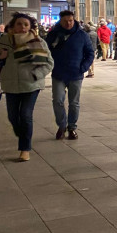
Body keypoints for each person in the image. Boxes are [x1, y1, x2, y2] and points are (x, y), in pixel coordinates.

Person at [0, 13, 54, 161]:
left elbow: (49, 63)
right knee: (13, 117)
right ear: (13, 26)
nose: (23, 27)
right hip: (10, 85)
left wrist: (36, 75)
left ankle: (25, 149)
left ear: (30, 27)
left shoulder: (38, 42)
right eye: (19, 24)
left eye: (26, 24)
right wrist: (0, 56)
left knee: (25, 114)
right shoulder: (5, 40)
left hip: (31, 84)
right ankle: (23, 134)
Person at [45, 11, 95, 140]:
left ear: (74, 20)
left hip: (75, 74)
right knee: (57, 101)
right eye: (66, 21)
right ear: (60, 21)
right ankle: (62, 126)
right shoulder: (53, 35)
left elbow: (90, 53)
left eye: (71, 21)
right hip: (58, 73)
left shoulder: (82, 35)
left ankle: (72, 127)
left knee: (74, 103)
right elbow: (46, 52)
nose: (68, 23)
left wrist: (83, 68)